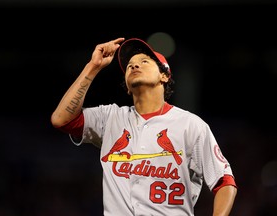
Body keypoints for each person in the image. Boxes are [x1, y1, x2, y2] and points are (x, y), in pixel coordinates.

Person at [51, 37, 237, 216]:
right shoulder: (110, 117)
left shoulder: (190, 125)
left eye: (144, 61)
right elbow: (62, 120)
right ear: (127, 86)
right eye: (129, 65)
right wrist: (93, 67)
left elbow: (225, 182)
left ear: (164, 75)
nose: (134, 65)